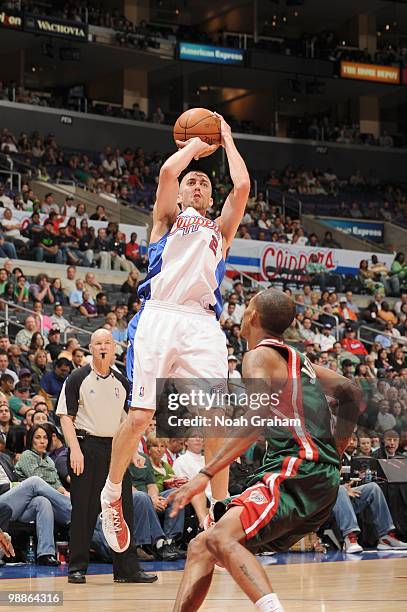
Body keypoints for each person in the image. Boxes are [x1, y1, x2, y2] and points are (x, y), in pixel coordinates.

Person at [100, 113, 250, 552]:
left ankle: (220, 508)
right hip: (160, 316)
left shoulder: (220, 231)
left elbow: (240, 188)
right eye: (192, 182)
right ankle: (112, 495)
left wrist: (226, 138)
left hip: (203, 323)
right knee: (142, 416)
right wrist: (194, 149)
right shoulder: (167, 220)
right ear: (182, 192)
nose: (197, 185)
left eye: (204, 182)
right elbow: (168, 171)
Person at [168, 288, 362, 612]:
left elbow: (254, 419)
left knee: (220, 539)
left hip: (296, 470)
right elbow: (351, 391)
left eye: (245, 307)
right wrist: (337, 448)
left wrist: (204, 473)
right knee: (203, 545)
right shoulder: (300, 361)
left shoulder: (257, 356)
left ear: (253, 316)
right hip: (318, 479)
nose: (242, 313)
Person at [56, 329, 156, 584]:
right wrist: (74, 450)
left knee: (122, 509)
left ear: (114, 348)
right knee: (84, 511)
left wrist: (134, 452)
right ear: (91, 348)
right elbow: (65, 417)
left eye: (107, 343)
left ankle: (126, 570)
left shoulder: (122, 382)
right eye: (98, 342)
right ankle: (77, 568)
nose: (103, 347)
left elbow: (130, 423)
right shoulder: (77, 377)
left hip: (115, 451)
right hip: (85, 447)